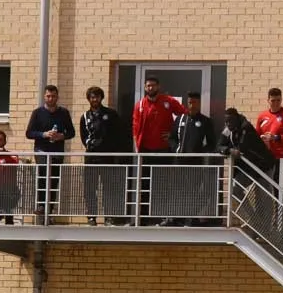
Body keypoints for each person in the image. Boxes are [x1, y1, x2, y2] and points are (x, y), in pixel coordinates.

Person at [131, 76, 186, 224]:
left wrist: (173, 134)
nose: (151, 88)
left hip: (164, 150)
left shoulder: (168, 101)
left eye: (153, 85)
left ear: (158, 86)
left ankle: (164, 217)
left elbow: (184, 116)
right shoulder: (140, 105)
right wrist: (137, 146)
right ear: (145, 87)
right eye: (148, 86)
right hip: (146, 151)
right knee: (144, 184)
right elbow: (135, 126)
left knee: (163, 184)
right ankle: (142, 218)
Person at [161, 91, 216, 227]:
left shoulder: (205, 121)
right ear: (187, 103)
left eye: (195, 102)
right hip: (179, 162)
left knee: (193, 191)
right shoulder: (180, 119)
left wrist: (200, 152)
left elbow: (212, 143)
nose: (192, 105)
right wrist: (176, 149)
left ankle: (190, 218)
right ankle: (174, 218)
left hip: (195, 163)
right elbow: (172, 138)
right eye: (190, 102)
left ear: (199, 104)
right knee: (176, 189)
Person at [218, 108, 276, 228]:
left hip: (263, 167)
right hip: (248, 168)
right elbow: (219, 146)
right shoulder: (228, 130)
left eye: (230, 121)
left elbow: (241, 148)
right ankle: (255, 221)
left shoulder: (246, 128)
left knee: (263, 197)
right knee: (235, 190)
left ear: (236, 119)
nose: (228, 124)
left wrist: (232, 150)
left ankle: (267, 228)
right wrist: (228, 150)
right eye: (226, 121)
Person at [25, 85, 76, 223]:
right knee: (43, 177)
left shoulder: (63, 113)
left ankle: (49, 211)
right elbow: (29, 133)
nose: (51, 98)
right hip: (41, 150)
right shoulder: (37, 113)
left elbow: (71, 132)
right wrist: (44, 134)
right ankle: (41, 206)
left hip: (57, 151)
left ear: (57, 97)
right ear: (44, 97)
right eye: (48, 96)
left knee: (53, 180)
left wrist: (61, 136)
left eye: (53, 96)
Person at [79, 86, 127, 226]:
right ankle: (91, 217)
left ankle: (109, 216)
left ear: (101, 98)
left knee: (109, 188)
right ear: (89, 99)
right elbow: (83, 137)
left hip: (107, 157)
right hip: (91, 158)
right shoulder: (85, 116)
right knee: (90, 188)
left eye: (97, 97)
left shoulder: (111, 114)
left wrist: (112, 150)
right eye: (92, 97)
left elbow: (119, 134)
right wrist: (92, 145)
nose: (95, 99)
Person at [255, 88, 283, 174]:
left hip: (281, 157)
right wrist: (262, 138)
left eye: (278, 100)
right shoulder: (262, 116)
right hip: (265, 157)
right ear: (268, 100)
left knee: (275, 181)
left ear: (281, 99)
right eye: (273, 100)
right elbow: (256, 137)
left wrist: (276, 137)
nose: (276, 103)